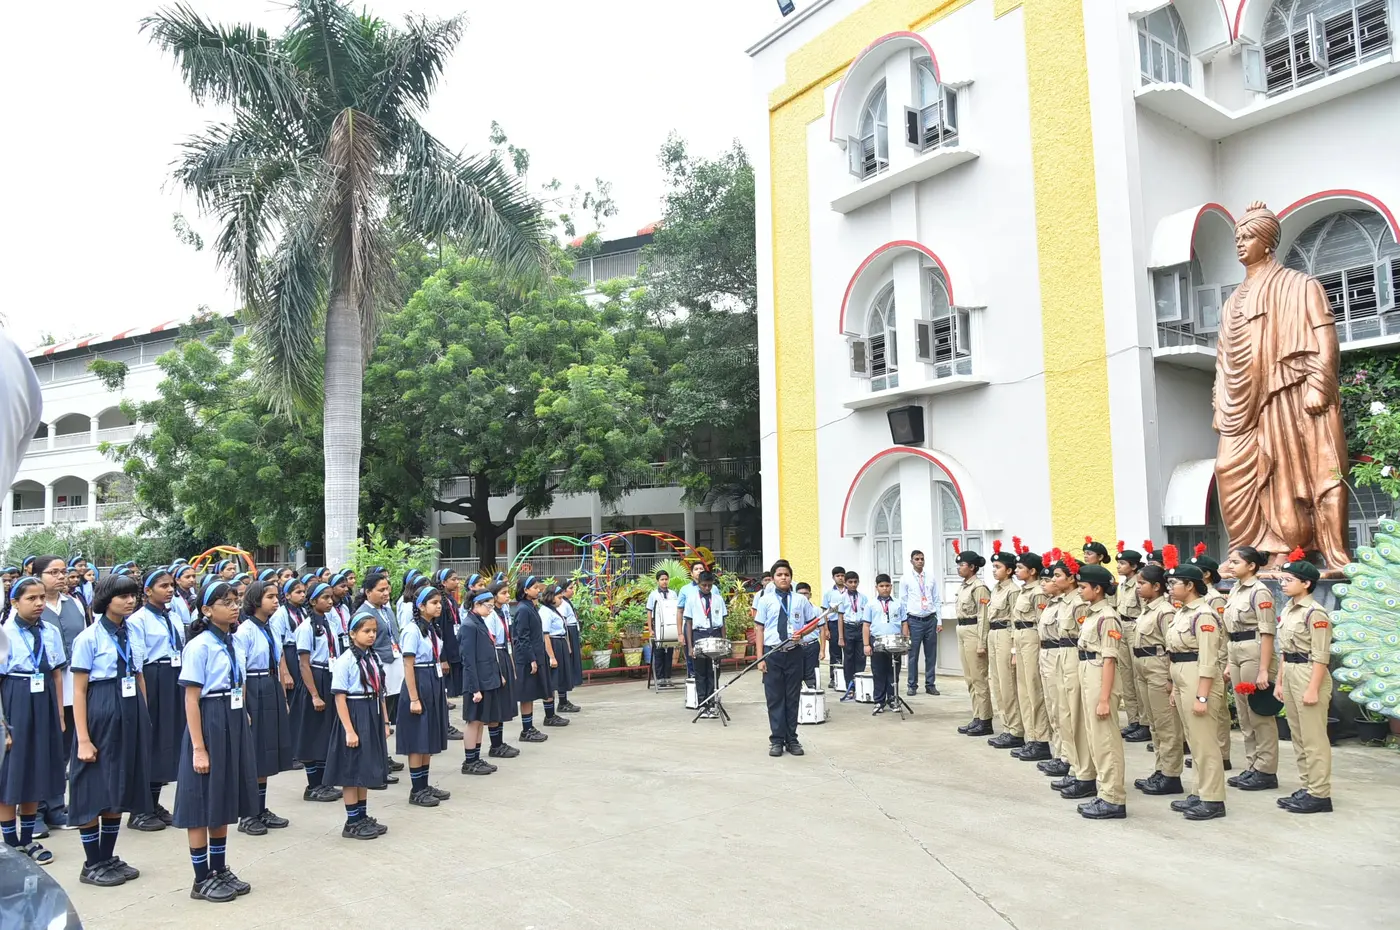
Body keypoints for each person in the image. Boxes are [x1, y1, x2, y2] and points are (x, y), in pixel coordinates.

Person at [172, 581, 258, 902]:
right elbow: (191, 700)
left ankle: (219, 869)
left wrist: (244, 713)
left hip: (232, 717)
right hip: (209, 720)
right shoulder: (200, 646)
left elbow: (241, 682)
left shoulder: (236, 642)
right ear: (207, 610)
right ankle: (200, 878)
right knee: (201, 801)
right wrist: (199, 747)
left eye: (236, 601)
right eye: (226, 602)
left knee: (221, 798)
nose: (235, 606)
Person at [67, 573, 152, 888]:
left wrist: (144, 715)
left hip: (130, 710)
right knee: (94, 787)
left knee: (120, 786)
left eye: (133, 595)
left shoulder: (133, 633)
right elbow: (78, 691)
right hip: (101, 708)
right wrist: (84, 739)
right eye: (122, 596)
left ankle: (106, 856)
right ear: (106, 600)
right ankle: (92, 862)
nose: (130, 601)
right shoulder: (88, 638)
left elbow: (138, 675)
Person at [0, 577, 67, 866]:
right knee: (13, 773)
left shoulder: (50, 631)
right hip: (16, 700)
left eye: (42, 597)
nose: (39, 603)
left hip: (44, 701)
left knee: (37, 769)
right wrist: (3, 725)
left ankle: (27, 837)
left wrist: (60, 715)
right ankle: (10, 840)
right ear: (15, 602)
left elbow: (55, 673)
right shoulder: (5, 635)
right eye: (31, 598)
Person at [1164, 557, 1228, 821]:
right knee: (1193, 738)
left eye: (1174, 583)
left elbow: (1208, 660)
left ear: (1189, 585)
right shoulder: (1183, 612)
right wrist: (1173, 688)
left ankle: (1213, 799)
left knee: (1205, 741)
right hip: (1182, 676)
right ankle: (1199, 791)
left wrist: (1202, 695)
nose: (1169, 587)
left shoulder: (1205, 615)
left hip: (1197, 677)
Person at [1274, 549, 1333, 813]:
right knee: (1298, 736)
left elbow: (1321, 656)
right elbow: (1285, 651)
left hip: (1310, 673)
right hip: (1291, 672)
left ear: (1306, 583)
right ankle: (1307, 786)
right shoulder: (1288, 609)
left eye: (1288, 580)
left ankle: (1320, 794)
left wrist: (1313, 689)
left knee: (1313, 738)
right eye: (1282, 580)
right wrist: (1279, 681)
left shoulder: (1315, 613)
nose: (1283, 584)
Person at [127, 567, 185, 832]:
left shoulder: (171, 616)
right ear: (147, 591)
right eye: (163, 586)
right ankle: (139, 809)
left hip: (173, 676)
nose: (170, 590)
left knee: (166, 743)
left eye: (172, 585)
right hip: (152, 676)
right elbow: (138, 660)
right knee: (150, 742)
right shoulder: (138, 620)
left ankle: (153, 802)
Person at [324, 612, 391, 840]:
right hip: (354, 712)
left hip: (372, 711)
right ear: (352, 634)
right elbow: (339, 697)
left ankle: (362, 816)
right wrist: (349, 730)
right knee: (351, 771)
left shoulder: (373, 657)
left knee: (365, 767)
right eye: (366, 631)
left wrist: (385, 721)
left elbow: (380, 691)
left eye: (374, 631)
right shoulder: (346, 661)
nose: (371, 635)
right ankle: (352, 821)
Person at [233, 580, 292, 836]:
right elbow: (240, 672)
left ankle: (260, 808)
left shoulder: (271, 628)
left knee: (267, 752)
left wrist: (282, 696)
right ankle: (247, 814)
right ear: (256, 600)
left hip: (269, 685)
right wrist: (244, 706)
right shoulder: (244, 631)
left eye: (277, 596)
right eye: (270, 596)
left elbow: (277, 662)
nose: (276, 600)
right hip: (253, 688)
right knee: (254, 753)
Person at [1222, 545, 1281, 792]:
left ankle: (1266, 770)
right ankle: (1252, 765)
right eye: (1230, 561)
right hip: (1235, 649)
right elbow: (1228, 629)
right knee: (1244, 712)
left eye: (1235, 562)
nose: (1230, 565)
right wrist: (1227, 661)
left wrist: (1264, 669)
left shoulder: (1260, 592)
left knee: (1259, 712)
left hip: (1254, 650)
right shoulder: (1235, 589)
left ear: (1252, 566)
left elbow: (1267, 632)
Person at [34, 555, 85, 834]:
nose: (61, 576)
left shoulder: (74, 603)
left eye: (63, 571)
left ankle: (55, 807)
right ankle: (36, 809)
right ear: (37, 575)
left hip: (72, 684)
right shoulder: (30, 604)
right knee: (40, 749)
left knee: (63, 750)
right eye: (53, 572)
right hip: (43, 685)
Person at [1072, 564, 1126, 820]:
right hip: (1087, 670)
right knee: (1095, 736)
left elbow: (1109, 659)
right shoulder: (1093, 614)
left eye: (1083, 587)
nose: (1080, 591)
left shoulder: (1107, 617)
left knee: (1105, 739)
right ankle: (1104, 792)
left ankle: (1114, 799)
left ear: (1098, 588)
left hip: (1099, 675)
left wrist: (1104, 698)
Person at [1130, 558, 1185, 797]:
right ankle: (1160, 769)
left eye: (1142, 583)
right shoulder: (1147, 609)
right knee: (1154, 724)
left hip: (1158, 667)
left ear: (1156, 587)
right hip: (1142, 666)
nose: (1138, 587)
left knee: (1166, 724)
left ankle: (1171, 775)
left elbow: (1171, 647)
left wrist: (1170, 679)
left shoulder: (1165, 612)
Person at [396, 587, 451, 808]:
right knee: (417, 738)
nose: (438, 606)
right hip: (419, 679)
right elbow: (408, 665)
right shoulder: (412, 630)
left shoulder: (432, 628)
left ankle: (424, 784)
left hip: (433, 678)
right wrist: (414, 698)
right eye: (433, 602)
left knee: (428, 737)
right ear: (420, 606)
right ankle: (416, 789)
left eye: (439, 602)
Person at [753, 561, 814, 757]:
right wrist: (760, 657)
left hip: (794, 653)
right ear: (773, 578)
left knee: (792, 698)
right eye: (779, 574)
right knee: (775, 698)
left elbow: (812, 623)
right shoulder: (765, 600)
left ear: (791, 577)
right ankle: (777, 740)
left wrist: (802, 633)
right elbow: (759, 629)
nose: (783, 578)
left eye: (786, 574)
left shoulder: (800, 600)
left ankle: (792, 739)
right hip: (772, 654)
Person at [290, 583, 342, 803]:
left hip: (329, 675)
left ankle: (324, 781)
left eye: (331, 598)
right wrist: (314, 694)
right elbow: (304, 664)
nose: (330, 601)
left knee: (326, 732)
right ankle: (313, 785)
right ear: (312, 602)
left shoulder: (330, 623)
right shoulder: (305, 628)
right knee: (313, 733)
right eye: (325, 598)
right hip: (316, 678)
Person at [1051, 554, 1096, 798]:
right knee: (1064, 713)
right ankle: (1075, 767)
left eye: (1058, 575)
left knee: (1075, 715)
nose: (1054, 579)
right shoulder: (1063, 601)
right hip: (1061, 653)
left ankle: (1083, 770)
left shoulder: (1078, 603)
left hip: (1073, 655)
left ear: (1071, 578)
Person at [351, 573, 403, 782]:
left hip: (393, 661)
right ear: (367, 591)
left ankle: (384, 756)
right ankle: (378, 760)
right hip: (377, 664)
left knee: (387, 712)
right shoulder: (364, 613)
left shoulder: (386, 610)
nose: (386, 593)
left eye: (387, 589)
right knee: (380, 714)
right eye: (381, 590)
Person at [1189, 544, 1233, 772]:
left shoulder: (1215, 599)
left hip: (1215, 658)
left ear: (1206, 575)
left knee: (1219, 710)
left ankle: (1222, 753)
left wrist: (1224, 663)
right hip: (1198, 658)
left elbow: (1222, 635)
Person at [460, 591, 510, 775]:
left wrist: (498, 675)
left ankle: (476, 757)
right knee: (473, 721)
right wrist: (475, 688)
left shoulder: (479, 621)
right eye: (488, 605)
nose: (490, 609)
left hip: (487, 678)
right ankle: (469, 761)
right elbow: (468, 659)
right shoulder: (469, 625)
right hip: (476, 681)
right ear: (477, 604)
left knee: (481, 720)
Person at [1010, 549, 1050, 762]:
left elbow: (1043, 622)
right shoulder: (1024, 591)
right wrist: (1014, 650)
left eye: (1020, 568)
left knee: (1034, 689)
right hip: (1021, 636)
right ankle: (1031, 737)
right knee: (1024, 690)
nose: (1016, 571)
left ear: (1033, 571)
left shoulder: (1038, 593)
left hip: (1033, 637)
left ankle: (1041, 740)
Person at [1034, 553, 1071, 778]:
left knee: (1061, 708)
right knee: (1052, 707)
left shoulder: (1070, 604)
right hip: (1047, 653)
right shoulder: (1052, 603)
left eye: (1053, 577)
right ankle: (1058, 754)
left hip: (1059, 654)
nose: (1048, 583)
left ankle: (1066, 757)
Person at [951, 544, 992, 736]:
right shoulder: (964, 586)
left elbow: (984, 616)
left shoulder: (979, 587)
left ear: (973, 567)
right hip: (962, 629)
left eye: (963, 565)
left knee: (979, 677)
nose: (959, 568)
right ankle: (977, 716)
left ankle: (985, 720)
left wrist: (982, 642)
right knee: (969, 678)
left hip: (974, 630)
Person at [985, 542, 1022, 749]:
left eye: (998, 567)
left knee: (1008, 684)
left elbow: (1017, 621)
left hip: (1006, 635)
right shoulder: (996, 589)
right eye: (993, 567)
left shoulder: (1013, 591)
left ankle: (1016, 729)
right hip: (993, 633)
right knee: (997, 683)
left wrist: (1015, 649)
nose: (994, 570)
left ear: (1009, 570)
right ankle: (1007, 726)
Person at [511, 576, 552, 743]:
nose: (538, 590)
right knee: (526, 694)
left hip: (535, 655)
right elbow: (522, 637)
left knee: (532, 693)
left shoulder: (531, 607)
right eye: (535, 587)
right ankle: (526, 729)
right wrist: (531, 659)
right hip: (527, 658)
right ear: (525, 590)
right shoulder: (523, 609)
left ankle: (529, 727)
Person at [1114, 543, 1149, 742]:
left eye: (1123, 563)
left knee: (1137, 676)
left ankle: (1144, 722)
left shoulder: (1139, 584)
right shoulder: (1123, 585)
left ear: (1134, 566)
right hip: (1122, 627)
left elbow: (1145, 609)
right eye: (1118, 563)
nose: (1119, 566)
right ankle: (1133, 719)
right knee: (1126, 676)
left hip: (1135, 628)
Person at [683, 571, 727, 719]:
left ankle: (713, 703)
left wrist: (724, 642)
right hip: (699, 634)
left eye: (709, 585)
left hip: (714, 634)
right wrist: (690, 647)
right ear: (698, 584)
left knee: (714, 672)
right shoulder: (691, 599)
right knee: (701, 672)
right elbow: (688, 623)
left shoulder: (718, 599)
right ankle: (703, 705)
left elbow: (722, 622)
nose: (707, 588)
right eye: (704, 585)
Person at [483, 582, 520, 759]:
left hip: (504, 653)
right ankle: (495, 745)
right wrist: (498, 670)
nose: (507, 596)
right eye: (503, 593)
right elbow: (490, 643)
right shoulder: (490, 616)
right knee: (496, 704)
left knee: (503, 703)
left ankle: (499, 741)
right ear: (494, 596)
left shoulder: (503, 612)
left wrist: (511, 666)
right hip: (496, 656)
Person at [863, 573, 908, 712]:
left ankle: (893, 699)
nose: (885, 588)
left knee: (893, 671)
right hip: (877, 640)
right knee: (878, 671)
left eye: (887, 586)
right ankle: (879, 701)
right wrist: (866, 644)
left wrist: (905, 642)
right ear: (876, 587)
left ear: (891, 586)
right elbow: (866, 625)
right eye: (881, 586)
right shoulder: (871, 604)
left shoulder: (898, 603)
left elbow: (904, 623)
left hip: (895, 641)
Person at [899, 550, 940, 697]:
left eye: (922, 559)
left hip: (930, 619)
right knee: (913, 655)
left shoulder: (930, 577)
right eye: (917, 559)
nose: (920, 561)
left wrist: (938, 620)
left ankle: (930, 684)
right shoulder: (906, 579)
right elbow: (903, 602)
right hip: (914, 620)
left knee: (931, 654)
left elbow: (936, 598)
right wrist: (905, 624)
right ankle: (912, 685)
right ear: (911, 561)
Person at [537, 586, 571, 728]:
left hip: (560, 642)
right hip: (553, 644)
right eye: (559, 597)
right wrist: (551, 656)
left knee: (557, 680)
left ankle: (552, 713)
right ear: (551, 597)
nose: (561, 600)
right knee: (551, 682)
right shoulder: (545, 612)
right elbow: (546, 635)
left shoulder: (553, 610)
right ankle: (549, 715)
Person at [836, 571, 868, 703]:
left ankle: (859, 685)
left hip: (860, 627)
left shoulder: (863, 597)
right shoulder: (842, 598)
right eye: (850, 582)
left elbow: (866, 617)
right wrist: (841, 637)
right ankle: (850, 687)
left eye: (855, 582)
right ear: (845, 583)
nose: (853, 584)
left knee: (861, 657)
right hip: (848, 627)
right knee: (848, 658)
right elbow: (840, 618)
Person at [674, 561, 705, 681]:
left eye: (701, 568)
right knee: (691, 656)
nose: (699, 571)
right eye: (696, 569)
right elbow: (680, 611)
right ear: (691, 574)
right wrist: (680, 634)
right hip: (689, 627)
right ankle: (693, 682)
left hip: (707, 628)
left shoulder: (713, 588)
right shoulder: (685, 589)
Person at [646, 570, 678, 687]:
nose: (664, 582)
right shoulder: (653, 594)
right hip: (658, 626)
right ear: (658, 581)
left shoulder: (673, 594)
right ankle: (659, 678)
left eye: (666, 579)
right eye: (662, 579)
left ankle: (667, 677)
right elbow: (649, 612)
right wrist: (650, 629)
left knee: (669, 652)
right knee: (659, 653)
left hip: (670, 626)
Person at [556, 580, 584, 713]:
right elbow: (564, 622)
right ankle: (562, 701)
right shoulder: (562, 604)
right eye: (570, 588)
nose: (573, 590)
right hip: (568, 634)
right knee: (565, 667)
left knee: (568, 668)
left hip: (572, 632)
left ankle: (564, 699)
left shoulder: (566, 602)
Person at [821, 566, 846, 690]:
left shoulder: (849, 592)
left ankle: (848, 676)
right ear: (833, 578)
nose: (840, 578)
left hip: (848, 624)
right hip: (834, 624)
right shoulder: (829, 593)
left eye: (842, 575)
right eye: (838, 576)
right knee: (835, 652)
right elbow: (825, 612)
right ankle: (834, 677)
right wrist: (826, 629)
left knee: (848, 652)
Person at [795, 582, 821, 688]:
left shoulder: (816, 610)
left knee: (811, 673)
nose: (803, 596)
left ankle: (811, 693)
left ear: (810, 595)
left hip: (812, 644)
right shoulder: (792, 610)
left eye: (805, 593)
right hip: (797, 645)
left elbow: (822, 629)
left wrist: (823, 650)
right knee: (797, 672)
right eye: (800, 594)